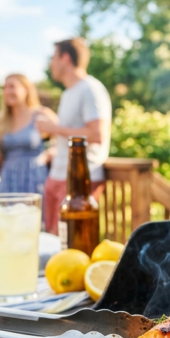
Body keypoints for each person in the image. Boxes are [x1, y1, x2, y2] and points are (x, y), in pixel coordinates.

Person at [36, 37, 112, 235]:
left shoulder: (90, 89)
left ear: (66, 58)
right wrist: (55, 148)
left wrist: (54, 127)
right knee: (53, 242)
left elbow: (97, 135)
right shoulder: (68, 93)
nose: (51, 63)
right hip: (57, 176)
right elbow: (71, 134)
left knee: (71, 245)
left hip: (80, 182)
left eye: (54, 57)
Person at [0, 74, 59, 194]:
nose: (7, 91)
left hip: (35, 176)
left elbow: (64, 138)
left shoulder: (41, 114)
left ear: (26, 90)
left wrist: (50, 153)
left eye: (12, 86)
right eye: (4, 88)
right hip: (8, 178)